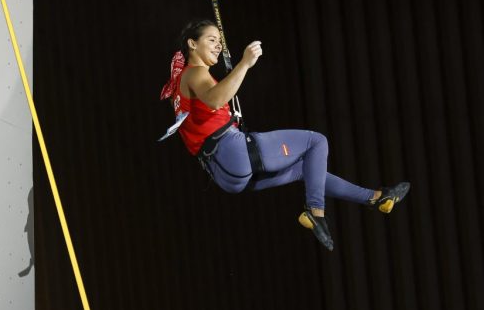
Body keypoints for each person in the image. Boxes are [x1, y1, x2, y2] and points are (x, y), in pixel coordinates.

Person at [160, 19, 410, 250]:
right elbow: (215, 100)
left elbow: (211, 106)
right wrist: (245, 63)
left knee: (305, 168)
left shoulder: (184, 82)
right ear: (193, 44)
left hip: (225, 175)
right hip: (232, 151)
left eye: (219, 40)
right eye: (212, 40)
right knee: (316, 141)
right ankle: (316, 212)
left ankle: (376, 198)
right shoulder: (194, 72)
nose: (218, 45)